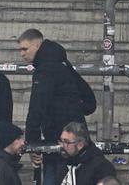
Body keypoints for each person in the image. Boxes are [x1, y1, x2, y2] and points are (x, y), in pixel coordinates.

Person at [17, 29, 96, 181]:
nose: (22, 54)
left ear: (37, 45)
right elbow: (90, 103)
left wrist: (33, 144)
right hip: (77, 140)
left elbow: (36, 109)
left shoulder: (45, 70)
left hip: (57, 141)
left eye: (25, 49)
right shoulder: (62, 62)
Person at [49, 122, 116, 185]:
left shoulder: (102, 167)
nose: (62, 145)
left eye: (67, 142)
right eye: (61, 141)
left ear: (80, 145)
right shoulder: (63, 160)